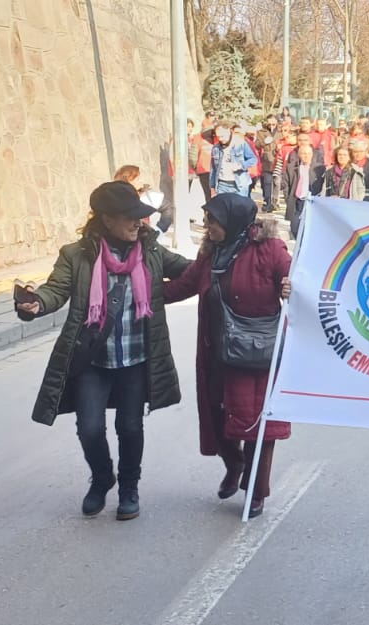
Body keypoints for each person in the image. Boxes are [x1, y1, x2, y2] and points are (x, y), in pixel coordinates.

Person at [15, 181, 192, 521]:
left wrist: (233, 258)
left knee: (130, 427)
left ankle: (129, 488)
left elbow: (191, 271)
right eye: (130, 218)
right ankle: (101, 478)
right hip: (93, 359)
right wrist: (35, 303)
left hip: (136, 358)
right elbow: (55, 290)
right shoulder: (77, 255)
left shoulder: (152, 252)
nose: (138, 224)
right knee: (91, 427)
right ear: (107, 220)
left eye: (140, 217)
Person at [164, 194, 293, 519]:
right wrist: (141, 291)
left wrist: (293, 286)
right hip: (217, 350)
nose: (208, 227)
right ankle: (234, 464)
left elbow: (295, 278)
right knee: (218, 418)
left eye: (213, 221)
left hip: (257, 352)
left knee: (257, 424)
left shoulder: (269, 250)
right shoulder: (211, 252)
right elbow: (184, 285)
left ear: (234, 220)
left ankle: (256, 490)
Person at [211, 123, 259, 197]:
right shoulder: (216, 148)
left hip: (239, 185)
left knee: (239, 208)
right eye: (218, 137)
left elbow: (253, 159)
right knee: (223, 208)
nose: (220, 139)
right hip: (222, 185)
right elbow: (213, 169)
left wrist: (241, 166)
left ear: (228, 132)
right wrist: (212, 188)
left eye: (222, 136)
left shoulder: (240, 143)